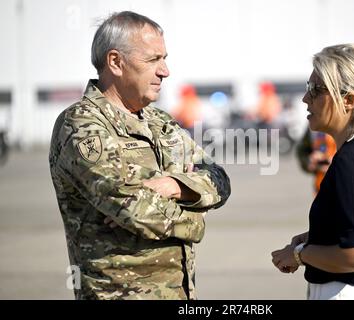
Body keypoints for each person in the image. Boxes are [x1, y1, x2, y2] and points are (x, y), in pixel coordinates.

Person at [49, 11, 231, 300]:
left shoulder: (159, 122)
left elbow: (219, 178)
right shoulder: (82, 126)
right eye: (153, 60)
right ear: (115, 62)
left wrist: (176, 185)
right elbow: (134, 211)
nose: (165, 71)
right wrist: (197, 220)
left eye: (164, 58)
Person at [271, 44, 354, 300]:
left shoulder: (351, 161)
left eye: (315, 90)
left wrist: (298, 254)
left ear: (348, 101)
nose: (305, 98)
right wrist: (312, 238)